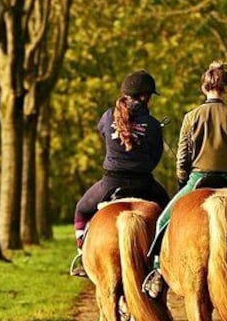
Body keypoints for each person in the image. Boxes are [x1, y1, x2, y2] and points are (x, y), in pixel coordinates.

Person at [142, 61, 227, 297]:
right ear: (225, 88)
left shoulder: (191, 116)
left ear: (204, 87)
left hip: (198, 179)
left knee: (162, 222)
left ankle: (157, 271)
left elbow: (183, 155)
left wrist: (182, 180)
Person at [70, 70, 170, 277]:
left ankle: (82, 254)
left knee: (81, 210)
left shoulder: (108, 116)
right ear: (145, 96)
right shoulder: (152, 124)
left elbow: (103, 131)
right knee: (169, 212)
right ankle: (162, 261)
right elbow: (155, 157)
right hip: (144, 184)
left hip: (110, 182)